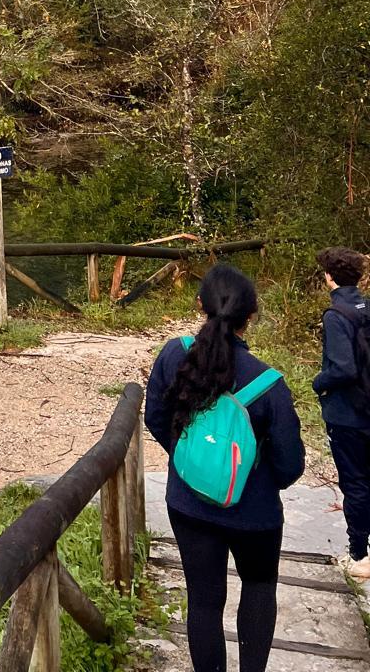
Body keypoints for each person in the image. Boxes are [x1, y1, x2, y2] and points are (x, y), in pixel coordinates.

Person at [146, 264, 305, 672]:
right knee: (258, 587)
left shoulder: (174, 355)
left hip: (188, 504)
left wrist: (191, 463)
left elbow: (156, 418)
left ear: (200, 303)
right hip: (253, 514)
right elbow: (290, 466)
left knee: (203, 599)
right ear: (250, 316)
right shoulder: (269, 385)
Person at [313, 247, 370, 581]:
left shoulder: (336, 315)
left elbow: (343, 368)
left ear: (329, 277)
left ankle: (359, 555)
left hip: (348, 414)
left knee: (355, 482)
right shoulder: (366, 307)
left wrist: (319, 382)